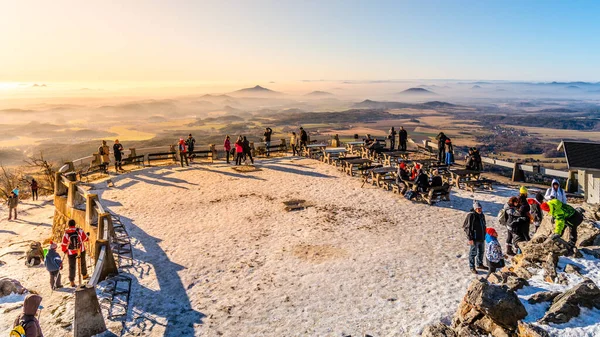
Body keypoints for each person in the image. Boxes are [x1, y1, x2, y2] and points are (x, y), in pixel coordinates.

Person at [61, 219, 89, 287]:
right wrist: (87, 236)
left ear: (68, 225)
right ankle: (84, 275)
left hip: (71, 251)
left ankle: (72, 281)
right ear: (75, 224)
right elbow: (85, 239)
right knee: (83, 262)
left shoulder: (66, 233)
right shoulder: (79, 230)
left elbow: (64, 243)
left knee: (72, 266)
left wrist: (65, 250)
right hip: (80, 249)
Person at [463, 200, 487, 274]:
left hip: (482, 237)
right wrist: (470, 238)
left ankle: (479, 264)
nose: (480, 209)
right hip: (474, 238)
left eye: (480, 208)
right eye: (478, 208)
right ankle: (472, 267)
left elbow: (484, 225)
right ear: (475, 209)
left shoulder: (482, 215)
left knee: (481, 252)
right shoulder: (471, 216)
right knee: (473, 253)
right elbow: (467, 227)